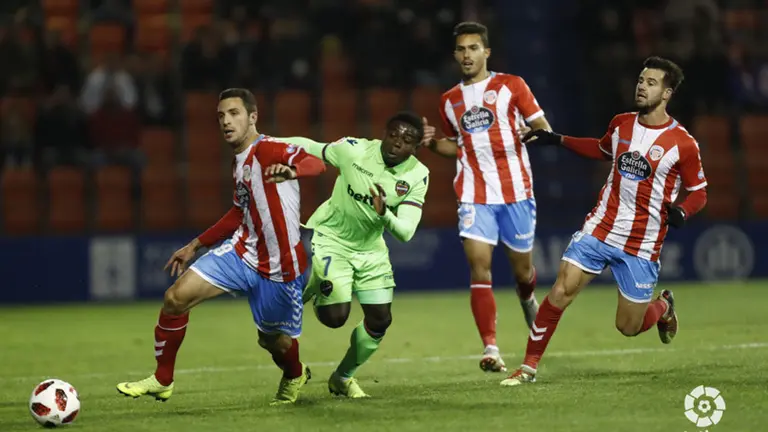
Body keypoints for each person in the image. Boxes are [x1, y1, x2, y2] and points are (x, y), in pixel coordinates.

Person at [500, 56, 707, 386]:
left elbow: (699, 192)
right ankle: (528, 368)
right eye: (641, 80)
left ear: (667, 93)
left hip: (641, 243)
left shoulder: (683, 143)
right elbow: (601, 149)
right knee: (560, 291)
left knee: (628, 326)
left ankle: (662, 307)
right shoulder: (621, 123)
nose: (642, 86)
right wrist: (557, 138)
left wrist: (683, 211)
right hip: (601, 227)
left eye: (651, 83)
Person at [116, 88, 326, 405]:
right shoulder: (238, 163)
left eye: (234, 113)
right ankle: (162, 379)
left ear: (253, 117)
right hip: (242, 253)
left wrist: (292, 170)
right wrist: (195, 245)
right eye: (220, 116)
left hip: (281, 267)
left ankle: (295, 373)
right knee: (175, 298)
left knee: (273, 341)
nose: (226, 121)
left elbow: (316, 164)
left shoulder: (270, 148)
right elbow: (239, 213)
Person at [421, 21, 553, 373]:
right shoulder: (449, 100)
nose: (467, 55)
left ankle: (527, 297)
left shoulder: (512, 85)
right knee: (479, 266)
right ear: (455, 55)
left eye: (473, 48)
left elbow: (543, 128)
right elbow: (456, 146)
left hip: (516, 192)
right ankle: (490, 347)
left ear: (486, 52)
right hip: (473, 194)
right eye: (461, 49)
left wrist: (531, 133)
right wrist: (432, 144)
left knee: (522, 272)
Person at [280, 111, 429, 398]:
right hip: (332, 240)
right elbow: (310, 146)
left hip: (370, 250)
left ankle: (342, 377)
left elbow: (406, 232)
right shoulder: (355, 150)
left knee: (380, 320)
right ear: (384, 134)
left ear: (415, 148)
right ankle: (315, 284)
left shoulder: (417, 174)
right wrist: (264, 142)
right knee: (334, 317)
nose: (397, 143)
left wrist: (384, 213)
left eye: (407, 140)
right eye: (393, 135)